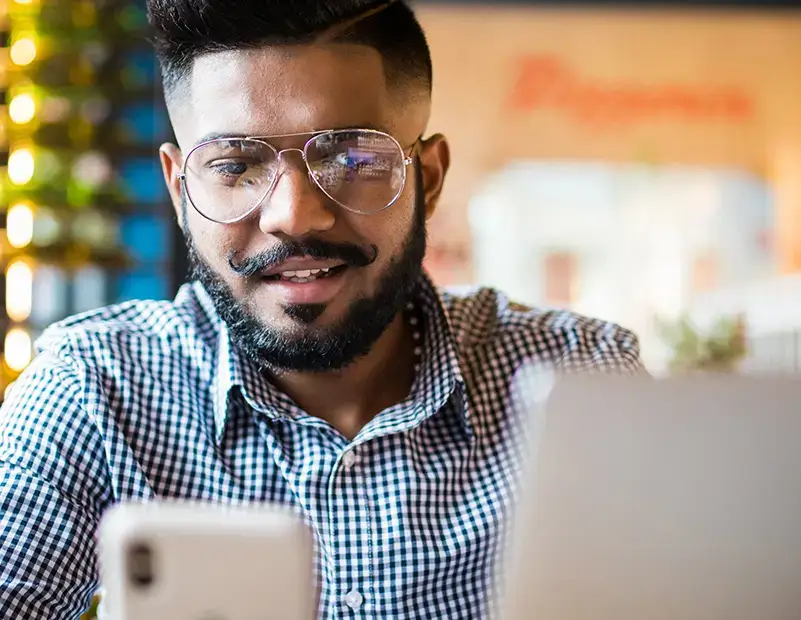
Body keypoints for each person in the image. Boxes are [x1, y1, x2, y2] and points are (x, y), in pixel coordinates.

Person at [0, 0, 644, 618]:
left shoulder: (584, 380)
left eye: (353, 158)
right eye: (233, 165)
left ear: (429, 178)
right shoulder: (94, 392)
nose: (294, 214)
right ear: (179, 189)